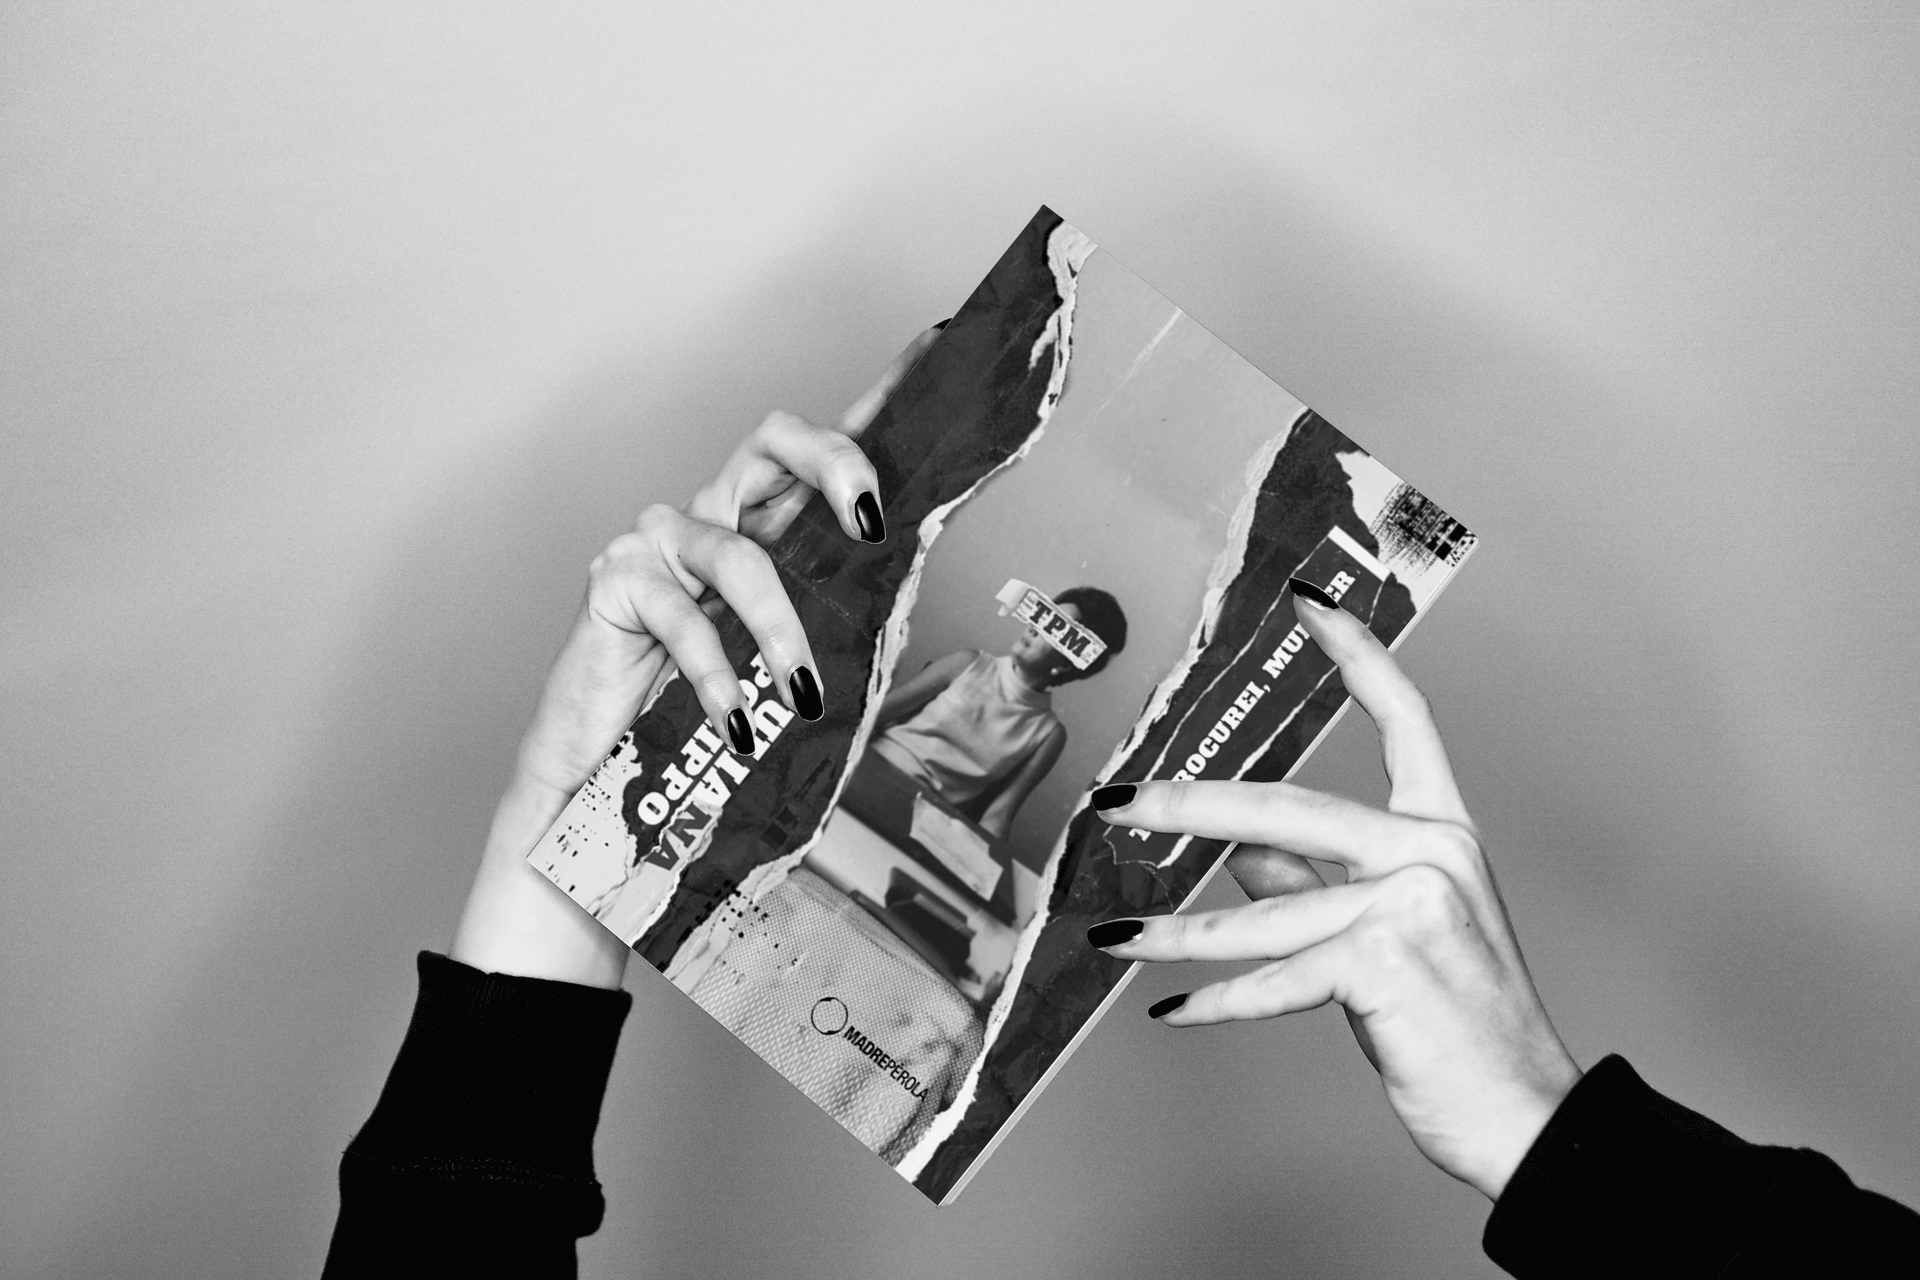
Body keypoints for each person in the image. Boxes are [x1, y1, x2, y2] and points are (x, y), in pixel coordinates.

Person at [323, 328, 1919, 1276]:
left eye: (1083, 648)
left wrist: (1551, 1139)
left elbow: (1001, 810)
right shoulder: (967, 674)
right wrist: (572, 832)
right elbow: (887, 742)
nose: (1061, 654)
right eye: (1067, 638)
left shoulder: (1032, 722)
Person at [867, 584, 1127, 838]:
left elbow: (998, 815)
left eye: (1055, 628)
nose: (1034, 628)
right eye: (1042, 616)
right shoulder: (967, 662)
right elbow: (876, 714)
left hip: (924, 820)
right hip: (870, 769)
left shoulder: (1049, 735)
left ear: (1067, 663)